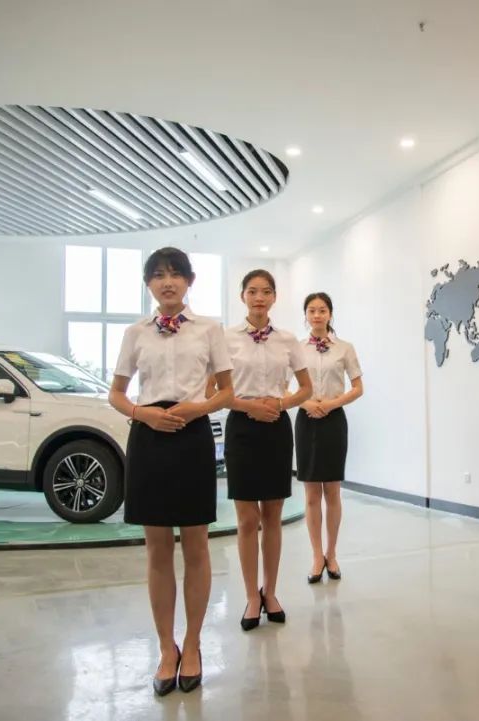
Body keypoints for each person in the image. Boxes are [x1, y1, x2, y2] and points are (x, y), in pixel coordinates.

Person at [108, 247, 233, 695]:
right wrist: (143, 414)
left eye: (176, 274)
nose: (167, 282)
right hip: (149, 437)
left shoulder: (209, 329)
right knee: (157, 549)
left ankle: (193, 644)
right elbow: (117, 394)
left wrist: (197, 408)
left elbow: (226, 391)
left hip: (192, 434)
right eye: (158, 275)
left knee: (196, 545)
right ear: (148, 284)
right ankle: (166, 648)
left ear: (189, 281)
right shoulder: (135, 333)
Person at [225, 269, 313, 630]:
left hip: (276, 426)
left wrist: (280, 403)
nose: (259, 297)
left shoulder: (288, 340)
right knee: (247, 518)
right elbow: (215, 391)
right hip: (241, 426)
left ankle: (271, 592)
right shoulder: (226, 338)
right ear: (242, 296)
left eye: (265, 292)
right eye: (252, 291)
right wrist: (250, 407)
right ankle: (251, 596)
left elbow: (306, 388)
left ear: (274, 297)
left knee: (273, 515)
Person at [296, 292, 364, 583]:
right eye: (311, 310)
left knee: (333, 492)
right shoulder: (297, 349)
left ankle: (332, 554)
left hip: (334, 421)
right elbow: (283, 387)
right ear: (306, 315)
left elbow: (358, 387)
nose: (317, 315)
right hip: (306, 419)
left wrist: (332, 403)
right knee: (312, 493)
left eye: (322, 310)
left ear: (330, 314)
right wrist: (306, 403)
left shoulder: (344, 348)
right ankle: (316, 556)